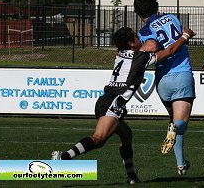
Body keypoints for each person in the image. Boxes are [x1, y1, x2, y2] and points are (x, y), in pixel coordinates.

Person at [51, 26, 195, 184]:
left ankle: (131, 176)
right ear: (131, 43)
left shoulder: (119, 53)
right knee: (98, 139)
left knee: (126, 135)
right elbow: (169, 51)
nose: (139, 39)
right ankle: (63, 156)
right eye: (136, 37)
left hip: (107, 100)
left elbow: (142, 48)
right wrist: (185, 36)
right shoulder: (140, 58)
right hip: (114, 103)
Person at [134, 0, 196, 175]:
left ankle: (181, 164)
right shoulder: (172, 18)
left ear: (138, 13)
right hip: (182, 75)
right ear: (156, 6)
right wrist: (185, 36)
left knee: (173, 121)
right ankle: (176, 131)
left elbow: (151, 47)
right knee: (180, 124)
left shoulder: (143, 32)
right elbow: (178, 36)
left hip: (162, 81)